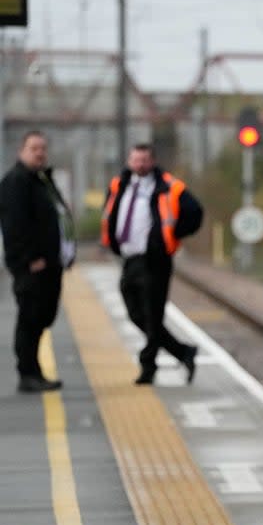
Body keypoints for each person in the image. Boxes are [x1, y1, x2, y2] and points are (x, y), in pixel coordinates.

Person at [101, 143, 203, 385]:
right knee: (135, 313)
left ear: (153, 161)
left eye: (144, 160)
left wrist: (172, 235)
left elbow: (195, 213)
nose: (140, 165)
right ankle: (182, 351)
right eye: (136, 160)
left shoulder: (169, 187)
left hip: (155, 260)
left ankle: (148, 366)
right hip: (129, 258)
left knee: (152, 315)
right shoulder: (119, 185)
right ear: (129, 161)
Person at [0, 131, 74, 392]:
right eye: (34, 148)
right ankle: (27, 374)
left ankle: (35, 371)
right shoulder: (16, 182)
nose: (40, 153)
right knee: (30, 319)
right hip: (32, 267)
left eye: (43, 148)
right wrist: (28, 259)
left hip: (49, 265)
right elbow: (14, 226)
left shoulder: (40, 180)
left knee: (42, 317)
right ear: (22, 150)